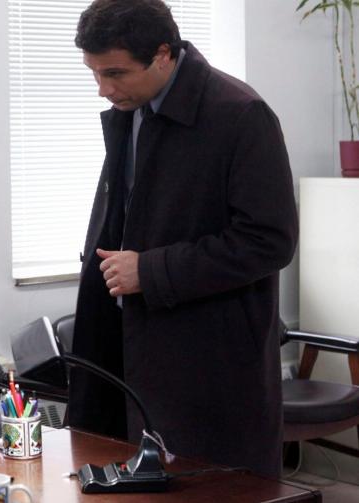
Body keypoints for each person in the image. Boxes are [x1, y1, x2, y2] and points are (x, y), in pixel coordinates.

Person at [68, 0, 298, 478]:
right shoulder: (132, 108)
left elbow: (269, 241)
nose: (103, 89)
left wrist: (149, 271)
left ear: (163, 54)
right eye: (94, 73)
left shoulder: (241, 114)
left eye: (115, 73)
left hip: (208, 365)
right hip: (128, 352)